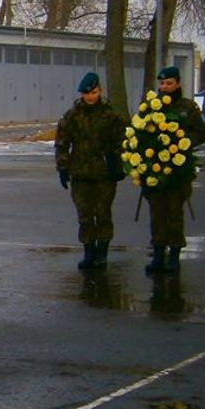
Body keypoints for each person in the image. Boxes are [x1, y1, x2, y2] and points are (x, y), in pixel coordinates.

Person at [54, 72, 126, 270]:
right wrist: (62, 167)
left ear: (100, 91)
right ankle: (88, 253)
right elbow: (61, 143)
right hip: (81, 174)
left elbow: (122, 141)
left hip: (105, 174)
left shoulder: (111, 115)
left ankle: (102, 253)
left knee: (103, 214)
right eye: (87, 93)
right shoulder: (73, 115)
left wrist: (118, 164)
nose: (91, 97)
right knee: (84, 216)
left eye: (94, 92)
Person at [142, 65, 205, 274]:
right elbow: (141, 132)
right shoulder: (152, 107)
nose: (165, 87)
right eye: (162, 83)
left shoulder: (187, 108)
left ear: (178, 83)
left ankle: (174, 256)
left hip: (179, 168)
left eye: (169, 83)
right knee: (157, 213)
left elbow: (201, 133)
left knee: (174, 213)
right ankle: (158, 255)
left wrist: (184, 143)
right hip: (155, 167)